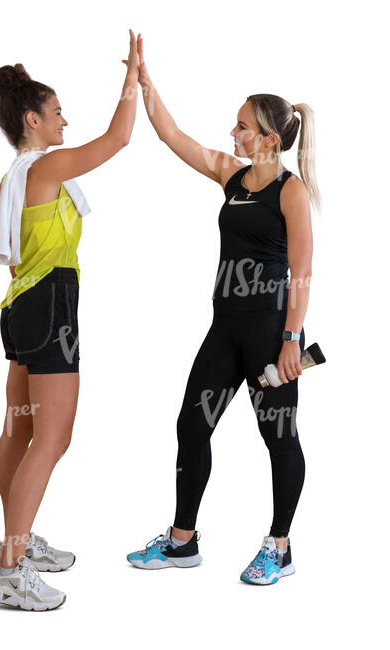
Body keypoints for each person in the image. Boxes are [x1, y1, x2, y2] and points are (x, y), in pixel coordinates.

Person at [126, 34, 320, 585]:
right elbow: (172, 136)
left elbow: (302, 273)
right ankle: (182, 541)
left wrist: (291, 340)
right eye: (235, 124)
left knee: (279, 440)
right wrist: (145, 83)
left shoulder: (291, 191)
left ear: (269, 138)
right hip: (225, 330)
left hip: (270, 334)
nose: (231, 133)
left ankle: (278, 548)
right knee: (192, 425)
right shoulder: (229, 176)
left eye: (242, 127)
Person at [0, 29, 140, 611]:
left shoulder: (17, 175)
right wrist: (133, 82)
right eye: (57, 113)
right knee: (52, 438)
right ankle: (10, 567)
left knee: (19, 432)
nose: (64, 122)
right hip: (48, 310)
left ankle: (16, 542)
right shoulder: (45, 170)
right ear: (32, 120)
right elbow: (119, 138)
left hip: (23, 308)